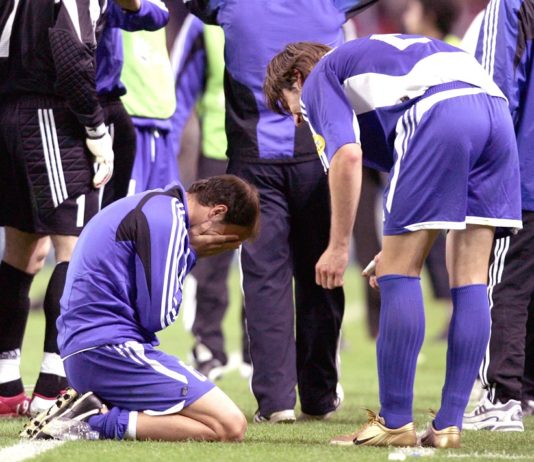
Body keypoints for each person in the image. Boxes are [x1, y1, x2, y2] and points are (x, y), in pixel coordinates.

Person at [264, 36, 521, 447]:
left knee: (399, 274)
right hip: (495, 113)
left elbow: (347, 157)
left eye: (288, 106)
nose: (297, 120)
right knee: (471, 277)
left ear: (296, 77)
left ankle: (394, 422)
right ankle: (448, 426)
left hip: (439, 111)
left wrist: (338, 247)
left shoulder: (319, 77)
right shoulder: (372, 60)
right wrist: (397, 246)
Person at [184, 0, 378, 424]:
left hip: (253, 158)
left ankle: (275, 402)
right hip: (318, 156)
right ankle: (319, 395)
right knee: (322, 275)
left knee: (263, 280)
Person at [21, 175, 259, 441]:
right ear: (217, 212)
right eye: (226, 241)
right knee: (230, 426)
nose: (220, 248)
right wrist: (191, 253)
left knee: (211, 421)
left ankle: (93, 411)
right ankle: (89, 422)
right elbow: (158, 316)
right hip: (109, 350)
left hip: (89, 350)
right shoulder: (169, 219)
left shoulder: (155, 204)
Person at [0, 0, 115, 417]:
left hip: (9, 112)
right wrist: (95, 128)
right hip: (50, 116)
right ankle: (54, 386)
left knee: (22, 253)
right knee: (75, 249)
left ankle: (5, 385)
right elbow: (71, 55)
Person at [462, 0, 534, 432]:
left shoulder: (512, 4)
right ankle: (525, 390)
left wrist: (483, 168)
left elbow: (495, 89)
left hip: (524, 173)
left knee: (505, 284)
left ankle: (500, 397)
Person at [169, 16, 249, 379]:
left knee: (267, 257)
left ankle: (257, 350)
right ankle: (208, 346)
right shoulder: (204, 21)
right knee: (210, 253)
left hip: (266, 154)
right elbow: (177, 89)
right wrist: (168, 155)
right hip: (218, 151)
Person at [96, 0, 169, 207]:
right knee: (76, 212)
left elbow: (158, 14)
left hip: (115, 108)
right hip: (76, 104)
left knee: (120, 208)